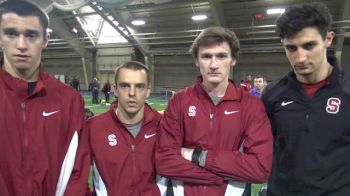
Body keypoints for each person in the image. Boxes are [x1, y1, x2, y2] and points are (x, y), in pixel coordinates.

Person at [156, 26, 273, 196]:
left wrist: (197, 156)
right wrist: (218, 178)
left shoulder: (251, 105)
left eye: (221, 56)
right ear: (196, 60)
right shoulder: (179, 102)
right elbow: (164, 161)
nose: (213, 64)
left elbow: (260, 168)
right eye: (206, 56)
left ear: (233, 59)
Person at [0, 1, 90, 195]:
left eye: (31, 35)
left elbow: (78, 172)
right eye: (11, 33)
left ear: (45, 40)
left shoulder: (70, 100)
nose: (21, 45)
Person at [261, 2, 350, 195]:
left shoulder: (347, 87)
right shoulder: (272, 94)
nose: (300, 58)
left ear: (328, 39)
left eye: (309, 46)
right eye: (291, 48)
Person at [88, 61, 163, 195]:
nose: (132, 93)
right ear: (115, 89)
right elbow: (73, 173)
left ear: (148, 91)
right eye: (125, 86)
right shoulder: (94, 127)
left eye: (139, 86)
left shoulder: (164, 126)